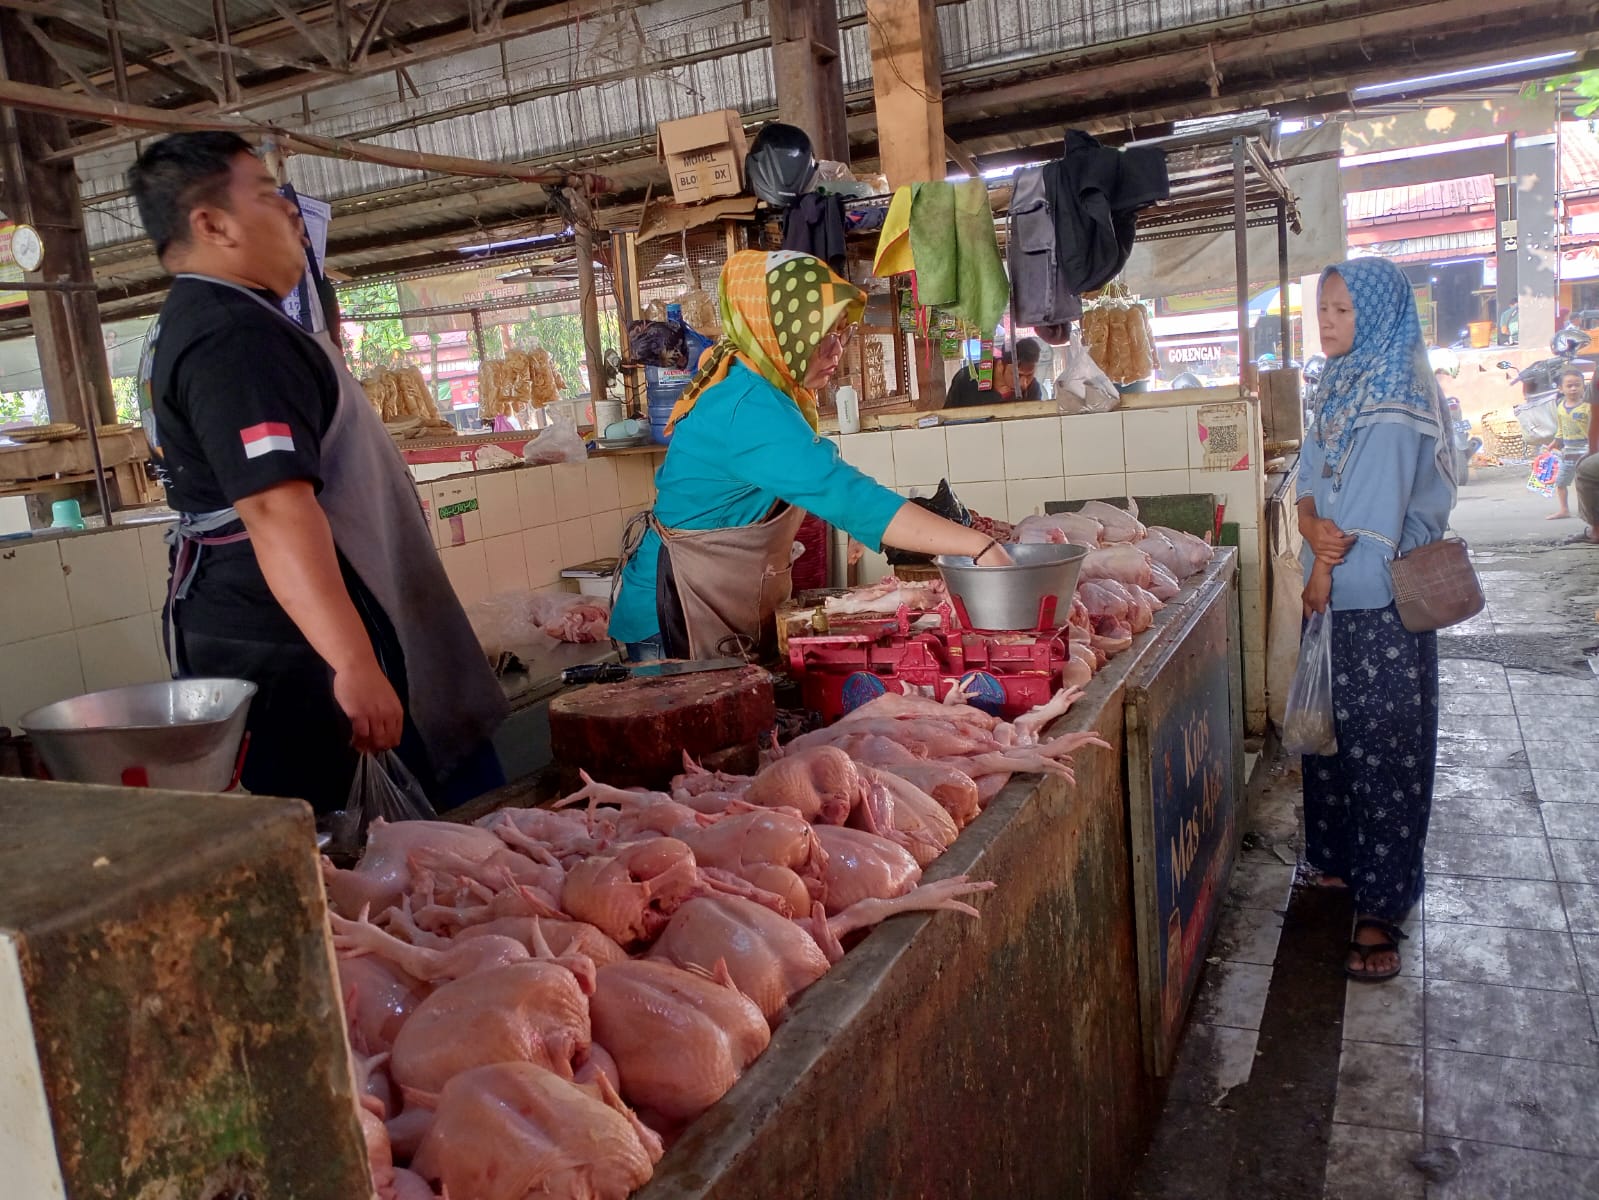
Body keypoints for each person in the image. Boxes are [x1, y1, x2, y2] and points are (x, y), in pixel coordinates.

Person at [128, 132, 507, 813]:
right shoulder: (233, 336)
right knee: (372, 844)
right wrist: (353, 662)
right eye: (265, 195)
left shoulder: (207, 320)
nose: (290, 211)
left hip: (266, 624)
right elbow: (274, 508)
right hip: (292, 645)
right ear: (212, 225)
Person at [609, 249, 1011, 660]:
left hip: (714, 597)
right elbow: (846, 493)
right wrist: (979, 547)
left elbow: (812, 480)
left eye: (842, 333)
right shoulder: (746, 405)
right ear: (779, 332)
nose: (837, 351)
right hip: (671, 614)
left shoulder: (760, 384)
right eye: (822, 337)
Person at [1295, 257, 1457, 983]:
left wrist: (1321, 572)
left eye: (1343, 311)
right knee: (1331, 743)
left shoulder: (1395, 398)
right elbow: (1308, 478)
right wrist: (1307, 526)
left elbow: (1370, 521)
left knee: (1383, 755)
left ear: (1379, 316)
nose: (1327, 323)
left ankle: (1379, 908)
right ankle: (1338, 861)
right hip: (1331, 595)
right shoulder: (1337, 384)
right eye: (1322, 309)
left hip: (1379, 605)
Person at [946, 337, 1045, 408]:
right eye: (1017, 375)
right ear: (1001, 365)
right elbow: (948, 417)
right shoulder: (968, 379)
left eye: (1029, 375)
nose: (1024, 383)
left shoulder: (1033, 388)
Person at [1547, 366, 1592, 520]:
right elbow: (1561, 428)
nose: (1573, 388)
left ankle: (1588, 511)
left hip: (1586, 451)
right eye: (1569, 385)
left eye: (1577, 385)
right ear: (1561, 388)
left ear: (1583, 386)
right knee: (1561, 482)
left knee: (1586, 484)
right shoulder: (1560, 407)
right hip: (1568, 453)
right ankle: (1564, 510)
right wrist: (1555, 442)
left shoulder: (1588, 407)